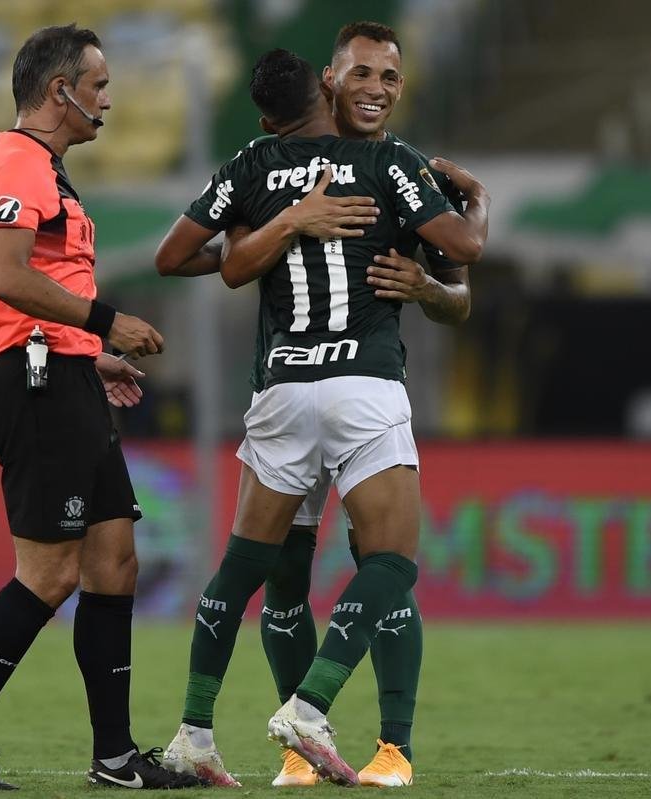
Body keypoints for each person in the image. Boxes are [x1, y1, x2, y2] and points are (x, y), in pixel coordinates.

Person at [155, 22, 480, 788]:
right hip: (362, 387)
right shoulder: (395, 164)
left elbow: (194, 260)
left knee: (251, 571)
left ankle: (197, 733)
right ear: (329, 82)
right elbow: (463, 249)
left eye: (390, 78)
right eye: (361, 74)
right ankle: (315, 713)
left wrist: (271, 234)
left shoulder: (257, 163)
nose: (376, 88)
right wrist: (482, 206)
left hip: (281, 394)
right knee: (390, 560)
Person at [0, 24, 198, 791]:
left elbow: (33, 285)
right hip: (33, 387)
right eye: (99, 84)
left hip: (61, 373)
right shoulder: (16, 162)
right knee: (49, 572)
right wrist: (104, 321)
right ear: (57, 91)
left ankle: (114, 760)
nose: (108, 99)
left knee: (114, 563)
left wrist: (86, 354)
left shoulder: (46, 169)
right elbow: (7, 277)